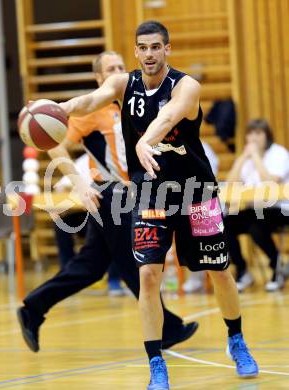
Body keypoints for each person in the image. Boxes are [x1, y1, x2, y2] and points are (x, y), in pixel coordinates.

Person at [56, 22, 258, 389]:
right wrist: (58, 109)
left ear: (167, 49)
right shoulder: (122, 84)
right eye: (142, 47)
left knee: (219, 271)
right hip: (152, 194)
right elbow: (87, 102)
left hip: (196, 192)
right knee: (149, 275)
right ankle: (156, 363)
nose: (149, 53)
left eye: (155, 47)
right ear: (136, 51)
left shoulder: (187, 86)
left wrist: (144, 141)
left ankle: (236, 339)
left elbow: (167, 117)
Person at [17, 50, 199, 356]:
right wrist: (77, 182)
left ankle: (33, 308)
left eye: (119, 66)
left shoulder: (134, 102)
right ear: (100, 78)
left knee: (91, 266)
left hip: (134, 193)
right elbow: (53, 144)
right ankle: (166, 327)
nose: (118, 71)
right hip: (112, 196)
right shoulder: (93, 111)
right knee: (134, 262)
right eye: (110, 69)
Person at [224, 119, 289, 292]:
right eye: (250, 133)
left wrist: (255, 157)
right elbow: (230, 186)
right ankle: (242, 269)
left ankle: (277, 268)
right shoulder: (246, 158)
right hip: (255, 209)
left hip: (279, 208)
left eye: (258, 133)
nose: (253, 138)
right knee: (225, 223)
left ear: (267, 136)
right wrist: (242, 159)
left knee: (256, 226)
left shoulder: (278, 153)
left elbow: (270, 184)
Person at [54, 153, 125, 295]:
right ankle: (67, 273)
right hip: (82, 213)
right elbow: (60, 187)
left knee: (112, 228)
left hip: (106, 212)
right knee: (60, 223)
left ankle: (114, 280)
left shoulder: (113, 158)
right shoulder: (81, 161)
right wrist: (79, 190)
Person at [182, 142, 219, 293]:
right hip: (179, 199)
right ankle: (195, 277)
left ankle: (215, 274)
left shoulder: (202, 145)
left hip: (202, 198)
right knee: (188, 239)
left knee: (208, 243)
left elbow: (212, 171)